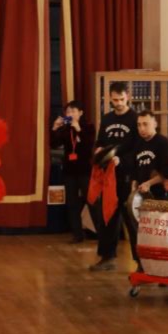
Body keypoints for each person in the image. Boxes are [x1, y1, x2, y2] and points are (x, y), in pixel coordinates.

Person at [89, 82, 139, 272]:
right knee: (107, 216)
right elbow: (100, 142)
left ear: (128, 97)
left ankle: (141, 262)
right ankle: (107, 257)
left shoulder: (135, 118)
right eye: (115, 100)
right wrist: (99, 150)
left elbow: (138, 148)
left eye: (121, 99)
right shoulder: (107, 118)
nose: (118, 103)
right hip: (108, 176)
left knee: (131, 219)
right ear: (110, 98)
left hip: (127, 175)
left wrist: (123, 160)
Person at [50, 101, 97, 243]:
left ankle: (101, 233)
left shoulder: (88, 126)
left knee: (91, 201)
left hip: (85, 170)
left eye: (73, 111)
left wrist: (78, 129)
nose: (70, 114)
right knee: (72, 203)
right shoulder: (65, 128)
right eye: (68, 112)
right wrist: (55, 127)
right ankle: (77, 234)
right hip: (69, 170)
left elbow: (88, 145)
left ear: (80, 113)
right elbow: (54, 144)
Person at [132, 111, 168, 200]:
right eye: (139, 125)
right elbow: (134, 172)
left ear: (155, 124)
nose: (142, 128)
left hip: (162, 196)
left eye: (145, 124)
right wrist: (133, 189)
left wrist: (149, 183)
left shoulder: (163, 143)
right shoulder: (137, 144)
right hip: (143, 196)